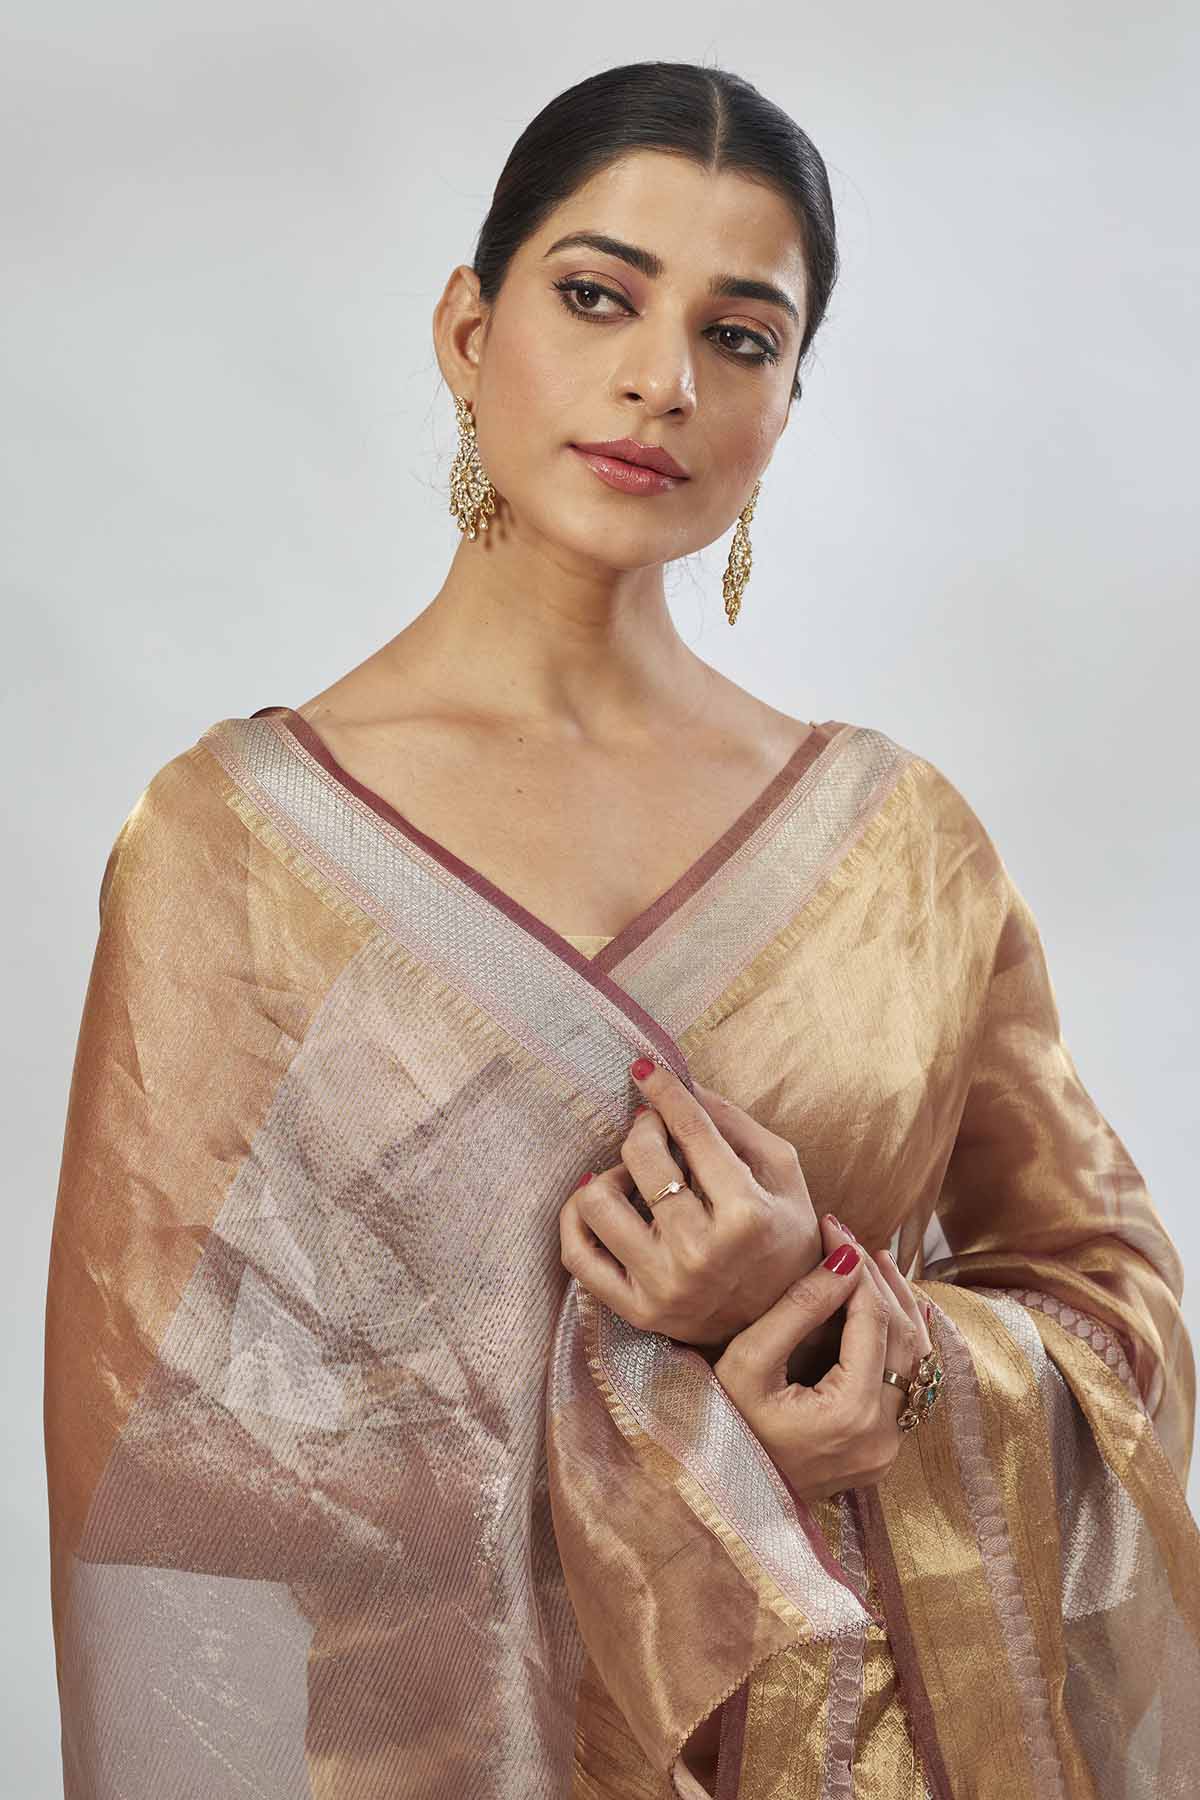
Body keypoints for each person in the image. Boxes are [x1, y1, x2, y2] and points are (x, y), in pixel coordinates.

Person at [43, 58, 1199, 1800]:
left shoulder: (902, 856)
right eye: (599, 297)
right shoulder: (235, 851)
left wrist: (830, 1313)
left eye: (740, 336)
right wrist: (693, 1451)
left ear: (787, 404)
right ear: (467, 329)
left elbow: (1118, 1322)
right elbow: (167, 1484)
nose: (664, 379)